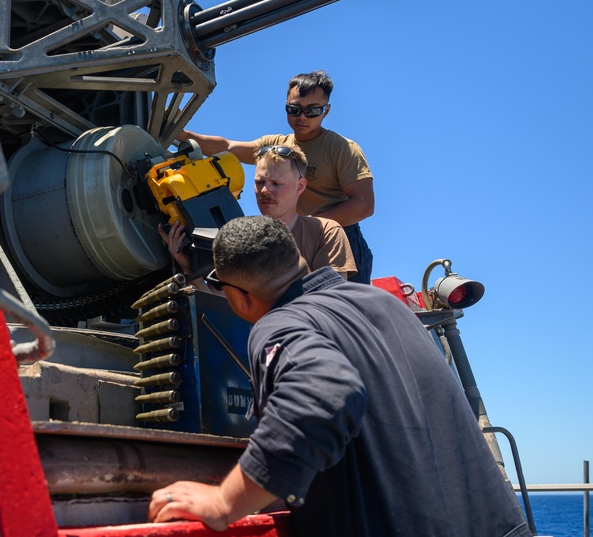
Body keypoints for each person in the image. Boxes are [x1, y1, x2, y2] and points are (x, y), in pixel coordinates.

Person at [148, 216, 530, 536]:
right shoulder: (385, 305)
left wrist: (224, 502)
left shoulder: (279, 325)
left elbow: (324, 396)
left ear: (240, 298)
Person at [180, 70, 375, 284]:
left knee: (339, 311)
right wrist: (178, 133)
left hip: (339, 240)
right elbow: (227, 147)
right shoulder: (277, 145)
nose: (302, 117)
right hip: (292, 241)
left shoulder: (341, 148)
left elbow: (364, 204)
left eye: (312, 111)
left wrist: (309, 226)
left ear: (326, 111)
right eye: (294, 109)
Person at [159, 144, 355, 278]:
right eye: (259, 182)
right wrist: (186, 264)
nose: (265, 191)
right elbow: (224, 306)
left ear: (300, 186)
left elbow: (332, 303)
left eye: (276, 184)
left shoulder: (325, 232)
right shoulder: (243, 239)